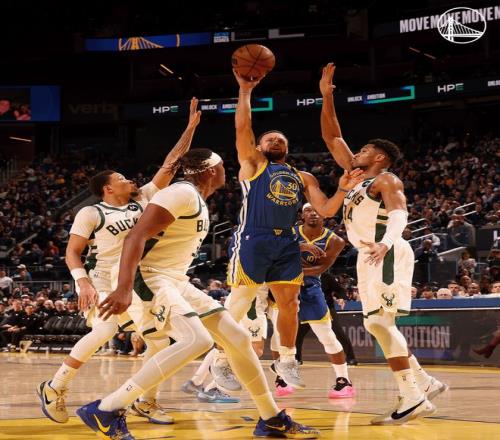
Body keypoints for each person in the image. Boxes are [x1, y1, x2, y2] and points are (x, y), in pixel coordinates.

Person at [76, 149, 320, 439]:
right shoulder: (181, 193)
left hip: (174, 279)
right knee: (197, 340)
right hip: (150, 278)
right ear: (210, 171)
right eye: (222, 166)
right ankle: (108, 408)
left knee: (238, 338)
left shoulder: (194, 197)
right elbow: (135, 236)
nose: (226, 171)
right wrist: (124, 288)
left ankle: (271, 418)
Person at [37, 98, 202, 425]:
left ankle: (146, 401)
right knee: (106, 329)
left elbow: (170, 165)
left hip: (135, 280)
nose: (130, 180)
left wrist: (190, 127)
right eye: (123, 178)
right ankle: (55, 387)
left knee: (159, 341)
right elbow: (72, 252)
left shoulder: (143, 198)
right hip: (101, 279)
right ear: (108, 188)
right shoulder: (91, 212)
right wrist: (83, 283)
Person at [319, 62, 447, 425]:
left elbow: (400, 214)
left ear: (379, 158)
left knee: (380, 323)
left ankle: (412, 396)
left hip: (384, 250)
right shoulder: (356, 178)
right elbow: (332, 138)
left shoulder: (386, 179)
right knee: (376, 324)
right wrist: (326, 96)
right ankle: (424, 382)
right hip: (368, 254)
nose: (355, 153)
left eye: (363, 150)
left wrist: (387, 243)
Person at [220, 69, 364, 390]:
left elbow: (327, 210)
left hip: (286, 240)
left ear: (287, 148)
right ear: (258, 147)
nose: (275, 140)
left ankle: (287, 360)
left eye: (280, 139)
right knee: (239, 303)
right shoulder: (254, 165)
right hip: (254, 237)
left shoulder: (303, 177)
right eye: (269, 138)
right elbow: (242, 127)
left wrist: (343, 188)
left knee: (291, 304)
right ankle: (220, 360)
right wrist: (245, 90)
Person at [291, 203, 356, 398]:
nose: (313, 213)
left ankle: (344, 380)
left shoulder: (335, 240)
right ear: (302, 215)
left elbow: (320, 269)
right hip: (283, 288)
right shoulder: (290, 233)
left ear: (324, 216)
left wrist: (292, 272)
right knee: (278, 338)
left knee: (327, 336)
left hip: (309, 289)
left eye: (317, 211)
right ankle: (282, 379)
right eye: (308, 210)